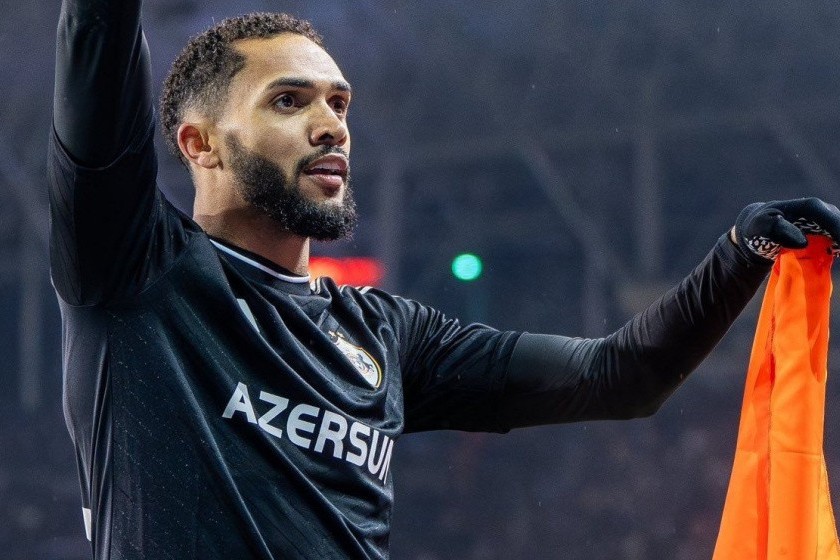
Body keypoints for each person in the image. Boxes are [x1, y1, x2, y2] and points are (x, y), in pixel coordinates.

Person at [48, 1, 840, 558]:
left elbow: (620, 377)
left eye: (339, 103)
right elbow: (95, 45)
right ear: (200, 144)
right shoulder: (138, 273)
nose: (331, 126)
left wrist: (738, 254)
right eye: (288, 101)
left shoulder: (387, 334)